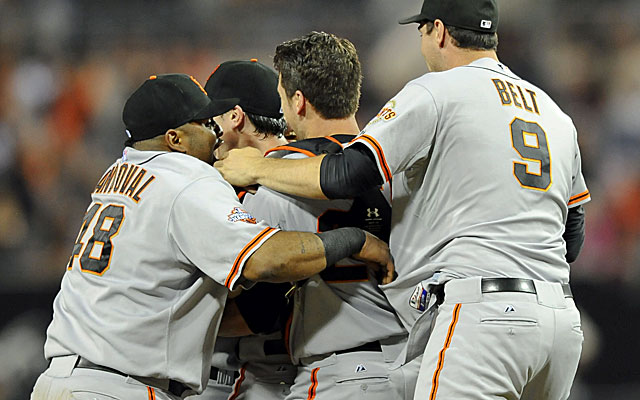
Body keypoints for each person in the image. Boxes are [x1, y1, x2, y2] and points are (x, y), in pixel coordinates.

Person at [214, 1, 590, 399]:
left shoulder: (438, 89)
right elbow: (573, 235)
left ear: (439, 31)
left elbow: (348, 172)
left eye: (422, 31)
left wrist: (257, 169)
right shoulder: (554, 111)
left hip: (483, 313)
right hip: (560, 321)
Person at [30, 73, 395, 400]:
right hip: (119, 386)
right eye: (203, 123)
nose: (216, 132)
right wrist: (355, 240)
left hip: (64, 376)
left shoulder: (115, 173)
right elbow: (267, 259)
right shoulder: (186, 178)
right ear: (175, 138)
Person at [216, 33, 411, 400]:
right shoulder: (401, 166)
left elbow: (258, 302)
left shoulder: (270, 179)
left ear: (298, 101)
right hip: (415, 361)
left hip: (340, 372)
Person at [189, 59, 294, 400]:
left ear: (234, 118)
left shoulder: (256, 190)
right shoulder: (306, 170)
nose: (208, 130)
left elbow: (259, 311)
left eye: (211, 119)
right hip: (296, 371)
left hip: (263, 376)